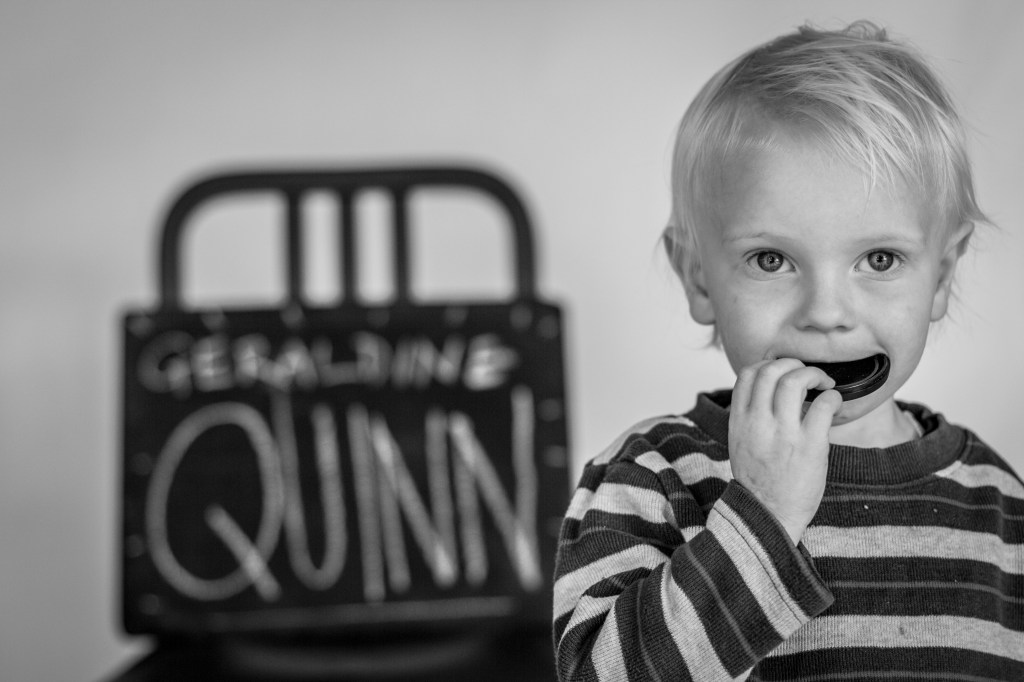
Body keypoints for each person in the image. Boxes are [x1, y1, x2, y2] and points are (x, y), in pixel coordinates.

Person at [552, 20, 1023, 680]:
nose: (826, 313)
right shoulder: (651, 478)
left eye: (879, 258)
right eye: (771, 260)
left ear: (941, 277)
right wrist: (762, 519)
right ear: (697, 278)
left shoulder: (998, 503)